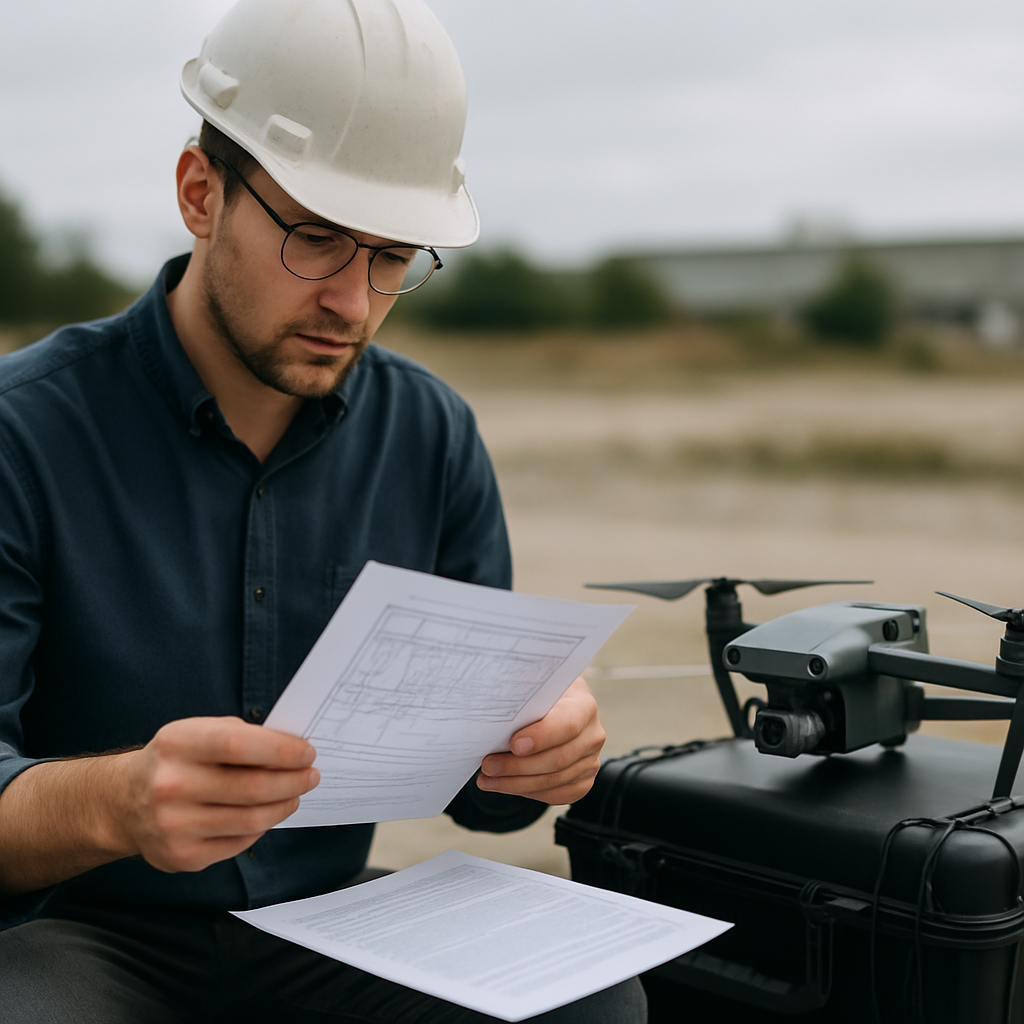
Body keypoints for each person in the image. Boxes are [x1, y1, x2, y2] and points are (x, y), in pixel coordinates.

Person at [0, 1, 647, 1021]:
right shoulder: (23, 433)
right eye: (317, 238)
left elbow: (472, 796)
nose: (353, 298)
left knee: (593, 1001)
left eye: (393, 257)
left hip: (330, 922)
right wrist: (118, 801)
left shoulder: (430, 434)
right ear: (199, 192)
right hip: (78, 935)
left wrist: (530, 752)